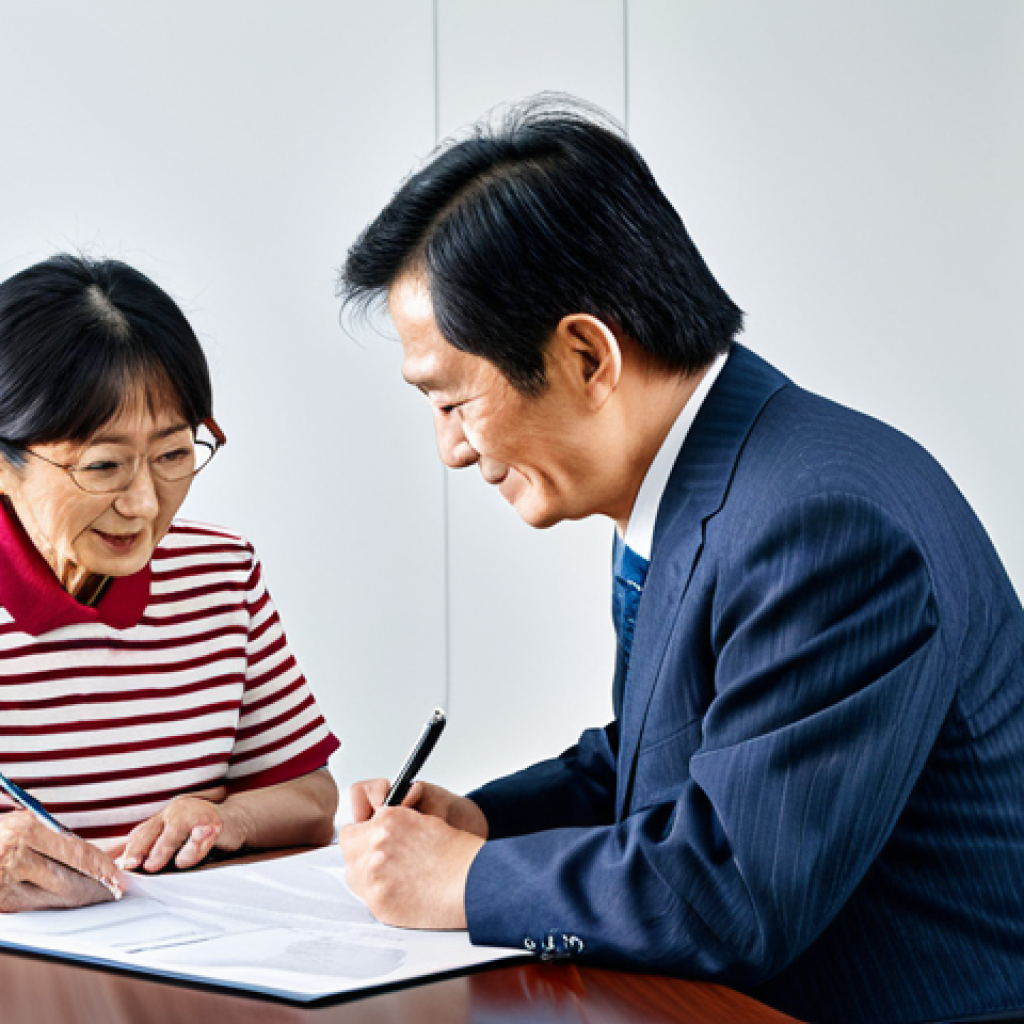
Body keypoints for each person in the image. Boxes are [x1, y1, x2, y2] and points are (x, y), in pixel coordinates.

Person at [335, 100, 1024, 1024]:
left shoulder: (820, 524)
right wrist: (487, 825)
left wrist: (470, 881)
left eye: (455, 402)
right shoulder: (721, 473)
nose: (450, 450)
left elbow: (732, 891)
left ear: (586, 354)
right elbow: (670, 753)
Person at [0, 255, 339, 913]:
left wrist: (225, 820)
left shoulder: (219, 573)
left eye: (174, 455)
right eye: (104, 466)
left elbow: (311, 798)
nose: (146, 504)